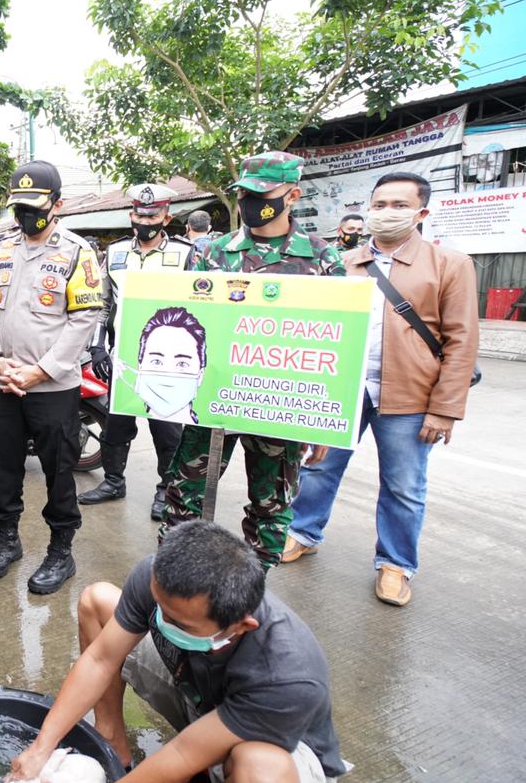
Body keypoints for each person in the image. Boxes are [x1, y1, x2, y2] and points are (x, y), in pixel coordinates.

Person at [9, 521, 348, 783]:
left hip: (278, 745)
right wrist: (41, 749)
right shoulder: (159, 576)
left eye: (179, 622)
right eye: (158, 607)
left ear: (241, 626)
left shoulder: (289, 677)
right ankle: (112, 738)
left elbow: (186, 753)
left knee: (259, 766)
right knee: (98, 600)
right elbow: (100, 659)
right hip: (200, 695)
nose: (160, 622)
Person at [282, 172, 479, 606]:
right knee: (318, 466)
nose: (386, 213)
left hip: (409, 394)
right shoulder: (344, 262)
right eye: (379, 205)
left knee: (405, 485)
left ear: (421, 212)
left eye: (399, 206)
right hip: (345, 390)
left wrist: (445, 408)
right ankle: (302, 531)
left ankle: (395, 564)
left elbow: (462, 339)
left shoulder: (450, 264)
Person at [160, 152, 345, 569]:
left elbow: (337, 345)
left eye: (261, 194)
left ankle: (250, 595)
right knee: (184, 499)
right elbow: (188, 321)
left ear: (292, 195)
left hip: (280, 406)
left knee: (270, 508)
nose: (248, 202)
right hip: (214, 402)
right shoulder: (215, 253)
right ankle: (174, 588)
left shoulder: (321, 259)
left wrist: (324, 423)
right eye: (243, 193)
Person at [0, 160, 103, 595]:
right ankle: (7, 540)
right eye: (19, 206)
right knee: (4, 468)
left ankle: (60, 551)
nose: (25, 215)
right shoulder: (1, 251)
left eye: (35, 205)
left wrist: (41, 370)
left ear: (57, 204)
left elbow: (85, 318)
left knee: (59, 471)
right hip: (6, 383)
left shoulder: (76, 252)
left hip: (53, 388)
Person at [80, 183, 194, 521]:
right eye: (139, 214)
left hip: (168, 360)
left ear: (166, 216)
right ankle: (114, 481)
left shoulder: (186, 255)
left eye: (153, 215)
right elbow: (103, 304)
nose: (145, 220)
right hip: (123, 357)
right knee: (116, 425)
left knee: (167, 431)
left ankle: (165, 490)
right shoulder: (114, 253)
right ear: (131, 215)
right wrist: (98, 346)